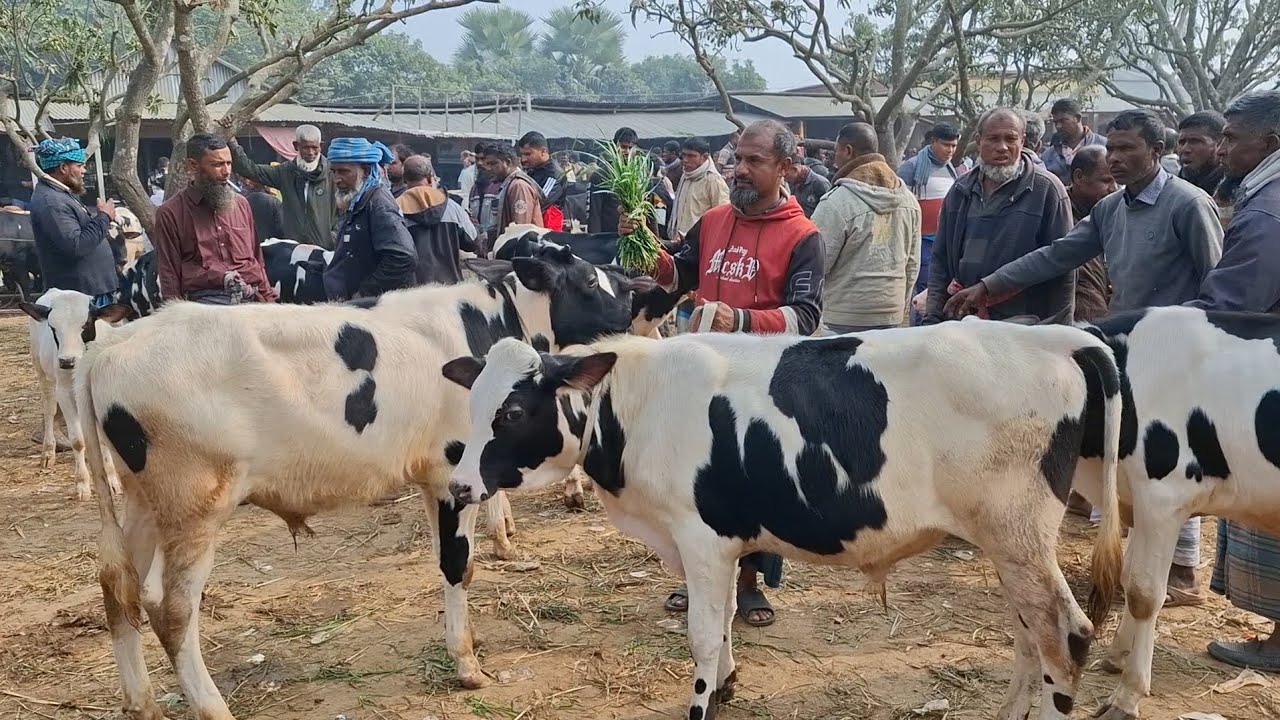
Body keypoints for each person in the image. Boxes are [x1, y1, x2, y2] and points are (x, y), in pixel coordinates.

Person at [947, 110, 1223, 606]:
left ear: (1157, 152)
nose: (1115, 159)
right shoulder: (1112, 209)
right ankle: (1145, 564)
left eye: (1128, 149)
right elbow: (1056, 255)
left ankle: (1181, 572)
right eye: (1111, 149)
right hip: (1130, 351)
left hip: (1183, 355)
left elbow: (1217, 285)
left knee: (1175, 459)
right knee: (1138, 458)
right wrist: (987, 288)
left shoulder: (1188, 204)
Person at [620, 119, 825, 627]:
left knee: (757, 483)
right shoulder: (713, 221)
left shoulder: (803, 235)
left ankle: (750, 584)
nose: (742, 170)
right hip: (702, 379)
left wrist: (744, 320)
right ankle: (698, 577)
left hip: (763, 382)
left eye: (756, 162)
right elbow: (679, 274)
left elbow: (807, 315)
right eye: (738, 159)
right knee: (698, 481)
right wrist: (646, 244)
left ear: (786, 168)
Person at [1183, 90, 1280, 671]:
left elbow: (1231, 303)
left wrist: (1153, 335)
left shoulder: (1268, 210)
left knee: (1270, 507)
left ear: (1270, 142)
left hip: (1268, 374)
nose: (1222, 148)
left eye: (1232, 137)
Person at [923, 108, 1074, 324]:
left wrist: (1060, 330)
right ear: (979, 140)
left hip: (1023, 325)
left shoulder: (1046, 190)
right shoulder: (960, 190)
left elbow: (1063, 265)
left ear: (1022, 141)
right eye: (993, 138)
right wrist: (933, 317)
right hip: (964, 320)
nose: (1002, 147)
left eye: (1010, 139)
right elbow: (940, 259)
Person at [812, 122, 920, 333]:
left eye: (836, 151)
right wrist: (901, 302)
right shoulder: (909, 200)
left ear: (848, 151)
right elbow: (912, 262)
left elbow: (817, 263)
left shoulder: (836, 202)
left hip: (844, 316)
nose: (834, 159)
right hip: (892, 313)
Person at [152, 134, 276, 304]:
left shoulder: (241, 205)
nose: (226, 172)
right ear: (193, 166)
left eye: (229, 163)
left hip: (252, 300)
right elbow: (169, 275)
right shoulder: (170, 213)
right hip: (206, 305)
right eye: (217, 165)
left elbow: (257, 260)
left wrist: (270, 302)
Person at [322, 137, 417, 301]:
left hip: (379, 311)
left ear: (365, 171)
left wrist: (364, 295)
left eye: (344, 171)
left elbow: (402, 256)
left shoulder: (378, 204)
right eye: (334, 171)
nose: (337, 179)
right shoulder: (359, 201)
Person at [28, 137, 119, 306]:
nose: (84, 170)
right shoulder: (52, 201)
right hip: (81, 297)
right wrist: (104, 217)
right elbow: (76, 246)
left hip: (89, 291)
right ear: (63, 168)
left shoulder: (60, 195)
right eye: (79, 166)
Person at [230, 124, 337, 249]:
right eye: (306, 147)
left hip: (326, 249)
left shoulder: (333, 172)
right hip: (294, 249)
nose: (311, 152)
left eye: (314, 147)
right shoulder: (286, 172)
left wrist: (333, 236)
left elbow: (346, 207)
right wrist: (233, 143)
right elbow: (250, 170)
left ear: (321, 146)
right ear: (296, 146)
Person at [897, 122, 960, 324]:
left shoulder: (953, 169)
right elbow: (900, 206)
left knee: (942, 290)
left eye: (954, 145)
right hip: (921, 241)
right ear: (933, 141)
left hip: (945, 242)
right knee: (925, 292)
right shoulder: (912, 167)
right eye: (945, 145)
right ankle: (919, 331)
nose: (950, 150)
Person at [397, 155, 476, 286]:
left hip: (412, 293)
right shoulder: (452, 207)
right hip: (450, 289)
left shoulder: (395, 210)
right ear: (430, 177)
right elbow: (472, 242)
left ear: (404, 179)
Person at [1064, 146, 1115, 322]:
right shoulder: (1061, 215)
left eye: (1117, 181)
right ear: (1078, 177)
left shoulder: (1111, 212)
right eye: (1106, 181)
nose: (1114, 188)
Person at [478, 142, 544, 244]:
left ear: (508, 162)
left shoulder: (519, 186)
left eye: (494, 164)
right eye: (488, 164)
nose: (489, 168)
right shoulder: (508, 184)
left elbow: (520, 230)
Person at [667, 137, 729, 243]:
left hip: (700, 243)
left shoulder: (713, 180)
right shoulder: (686, 175)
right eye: (684, 155)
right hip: (678, 241)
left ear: (704, 157)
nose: (685, 160)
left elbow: (723, 217)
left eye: (691, 156)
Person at [1041, 98, 1107, 184]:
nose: (1058, 126)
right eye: (1056, 122)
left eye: (1063, 121)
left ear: (1078, 118)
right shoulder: (1048, 155)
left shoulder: (1104, 146)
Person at [589, 127, 639, 233]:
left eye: (631, 148)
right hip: (609, 236)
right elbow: (595, 214)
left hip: (635, 235)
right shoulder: (600, 175)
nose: (627, 152)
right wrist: (595, 241)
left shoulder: (640, 175)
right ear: (614, 146)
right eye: (623, 147)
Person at [517, 131, 566, 228]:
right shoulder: (533, 170)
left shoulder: (554, 174)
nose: (523, 159)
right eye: (522, 155)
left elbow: (540, 201)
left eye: (528, 154)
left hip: (546, 230)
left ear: (543, 152)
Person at [1177, 111, 1227, 195]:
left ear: (1219, 144)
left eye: (1195, 141)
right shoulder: (1175, 188)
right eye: (1181, 142)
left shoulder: (1233, 191)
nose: (1185, 149)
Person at [241, 177, 284, 243]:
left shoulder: (242, 202)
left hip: (250, 246)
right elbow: (282, 229)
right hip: (271, 246)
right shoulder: (274, 202)